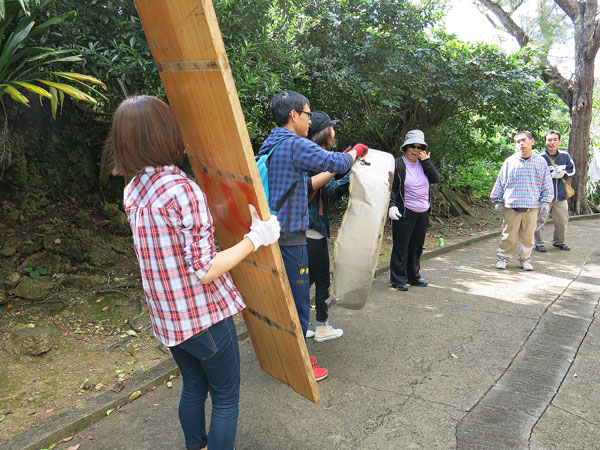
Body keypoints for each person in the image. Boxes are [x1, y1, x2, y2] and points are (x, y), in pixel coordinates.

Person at [109, 95, 280, 450]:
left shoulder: (133, 189)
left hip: (169, 318)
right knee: (226, 397)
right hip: (203, 317)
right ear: (167, 133)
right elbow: (205, 269)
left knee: (193, 385)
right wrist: (256, 237)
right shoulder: (182, 190)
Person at [258, 90, 367, 380]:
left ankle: (288, 355)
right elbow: (338, 164)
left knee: (284, 300)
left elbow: (304, 186)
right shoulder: (293, 144)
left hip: (271, 233)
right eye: (307, 114)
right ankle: (300, 365)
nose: (309, 120)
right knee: (297, 301)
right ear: (293, 115)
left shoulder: (271, 144)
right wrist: (356, 151)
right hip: (290, 237)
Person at [305, 111, 351, 342]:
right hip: (312, 228)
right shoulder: (320, 156)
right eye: (332, 127)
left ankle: (301, 324)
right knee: (323, 279)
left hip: (297, 228)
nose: (334, 131)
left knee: (307, 278)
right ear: (324, 131)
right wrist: (350, 176)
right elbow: (330, 191)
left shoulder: (305, 153)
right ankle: (322, 327)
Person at [491, 130, 553, 271]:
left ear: (532, 142)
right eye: (518, 142)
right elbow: (500, 181)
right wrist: (498, 200)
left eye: (524, 140)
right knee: (508, 236)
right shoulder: (510, 162)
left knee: (528, 237)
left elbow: (547, 184)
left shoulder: (541, 162)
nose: (521, 144)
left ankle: (525, 259)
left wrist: (545, 202)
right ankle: (503, 258)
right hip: (512, 206)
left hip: (531, 206)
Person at [388, 129, 440, 291]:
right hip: (405, 210)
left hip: (422, 211)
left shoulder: (424, 164)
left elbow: (436, 178)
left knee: (417, 246)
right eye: (413, 147)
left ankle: (414, 276)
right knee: (401, 247)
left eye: (420, 147)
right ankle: (398, 279)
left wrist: (427, 162)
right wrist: (392, 206)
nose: (416, 150)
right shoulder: (397, 164)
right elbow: (391, 189)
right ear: (406, 148)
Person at [534, 130, 576, 252]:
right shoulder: (539, 158)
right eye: (549, 140)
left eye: (554, 140)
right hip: (544, 197)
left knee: (562, 221)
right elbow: (535, 175)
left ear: (559, 141)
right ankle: (539, 244)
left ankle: (559, 242)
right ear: (545, 142)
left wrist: (564, 173)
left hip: (561, 196)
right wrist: (550, 175)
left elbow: (572, 170)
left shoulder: (565, 156)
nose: (552, 142)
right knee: (540, 221)